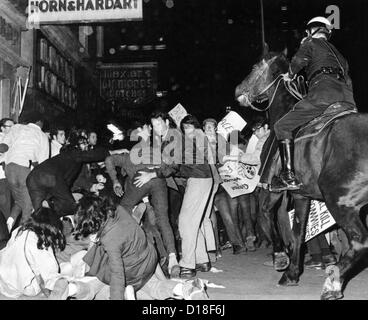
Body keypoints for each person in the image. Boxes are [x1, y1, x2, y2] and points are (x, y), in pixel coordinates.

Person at [271, 16, 356, 192]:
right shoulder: (341, 56)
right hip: (347, 99)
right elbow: (348, 80)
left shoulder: (310, 43)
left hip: (322, 94)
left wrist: (290, 74)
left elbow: (297, 62)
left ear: (312, 31)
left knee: (282, 126)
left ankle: (288, 176)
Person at [135, 112, 216, 279]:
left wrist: (152, 174)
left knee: (185, 221)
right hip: (199, 178)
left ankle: (188, 264)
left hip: (199, 178)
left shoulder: (174, 138)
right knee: (192, 221)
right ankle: (202, 260)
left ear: (166, 122)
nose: (156, 129)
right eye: (154, 126)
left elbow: (172, 166)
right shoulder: (168, 139)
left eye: (159, 124)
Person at [82, 196, 209, 300]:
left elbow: (116, 274)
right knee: (152, 287)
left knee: (99, 288)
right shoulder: (120, 211)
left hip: (129, 272)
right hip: (147, 262)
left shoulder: (110, 240)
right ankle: (187, 289)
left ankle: (75, 289)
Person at [104, 121, 180, 277]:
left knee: (123, 210)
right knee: (163, 219)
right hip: (158, 180)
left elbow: (109, 160)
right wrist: (155, 171)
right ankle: (173, 259)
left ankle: (115, 252)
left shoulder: (130, 154)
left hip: (139, 181)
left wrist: (115, 181)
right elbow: (171, 167)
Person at [0, 207, 66, 299]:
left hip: (3, 280)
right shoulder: (40, 243)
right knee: (66, 270)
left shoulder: (19, 229)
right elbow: (51, 273)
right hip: (17, 289)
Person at [0, 112, 49, 229]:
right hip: (23, 170)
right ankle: (22, 232)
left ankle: (10, 220)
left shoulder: (17, 128)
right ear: (41, 123)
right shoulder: (42, 136)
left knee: (19, 200)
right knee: (28, 207)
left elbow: (4, 146)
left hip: (9, 169)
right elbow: (43, 164)